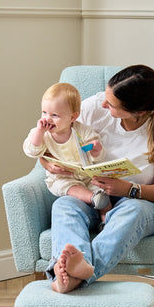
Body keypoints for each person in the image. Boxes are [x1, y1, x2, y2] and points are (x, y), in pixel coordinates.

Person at [41, 65, 154, 293]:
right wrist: (48, 162)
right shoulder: (93, 108)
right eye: (106, 96)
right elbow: (50, 134)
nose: (103, 104)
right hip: (93, 194)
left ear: (139, 112)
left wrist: (129, 189)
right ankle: (75, 270)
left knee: (132, 212)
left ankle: (72, 276)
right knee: (64, 205)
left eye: (111, 105)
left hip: (141, 204)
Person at [24, 82, 111, 215]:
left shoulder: (83, 131)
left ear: (73, 117)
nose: (48, 118)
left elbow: (99, 156)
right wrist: (40, 132)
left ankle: (106, 219)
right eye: (44, 112)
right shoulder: (41, 134)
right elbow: (32, 151)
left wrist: (96, 149)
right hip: (63, 177)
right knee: (66, 186)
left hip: (87, 176)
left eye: (55, 115)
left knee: (101, 189)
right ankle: (92, 198)